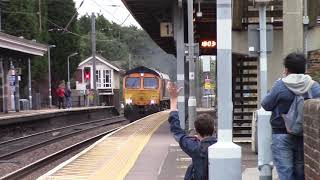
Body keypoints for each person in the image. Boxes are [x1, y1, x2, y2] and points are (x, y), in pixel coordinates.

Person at [261, 52, 320, 180]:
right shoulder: (313, 86)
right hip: (304, 135)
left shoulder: (281, 85)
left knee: (285, 172)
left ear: (286, 69)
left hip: (281, 134)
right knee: (301, 173)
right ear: (304, 69)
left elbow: (266, 104)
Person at [167, 82, 217, 180]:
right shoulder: (222, 145)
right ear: (213, 129)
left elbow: (177, 132)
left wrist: (173, 101)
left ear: (196, 131)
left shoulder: (195, 147)